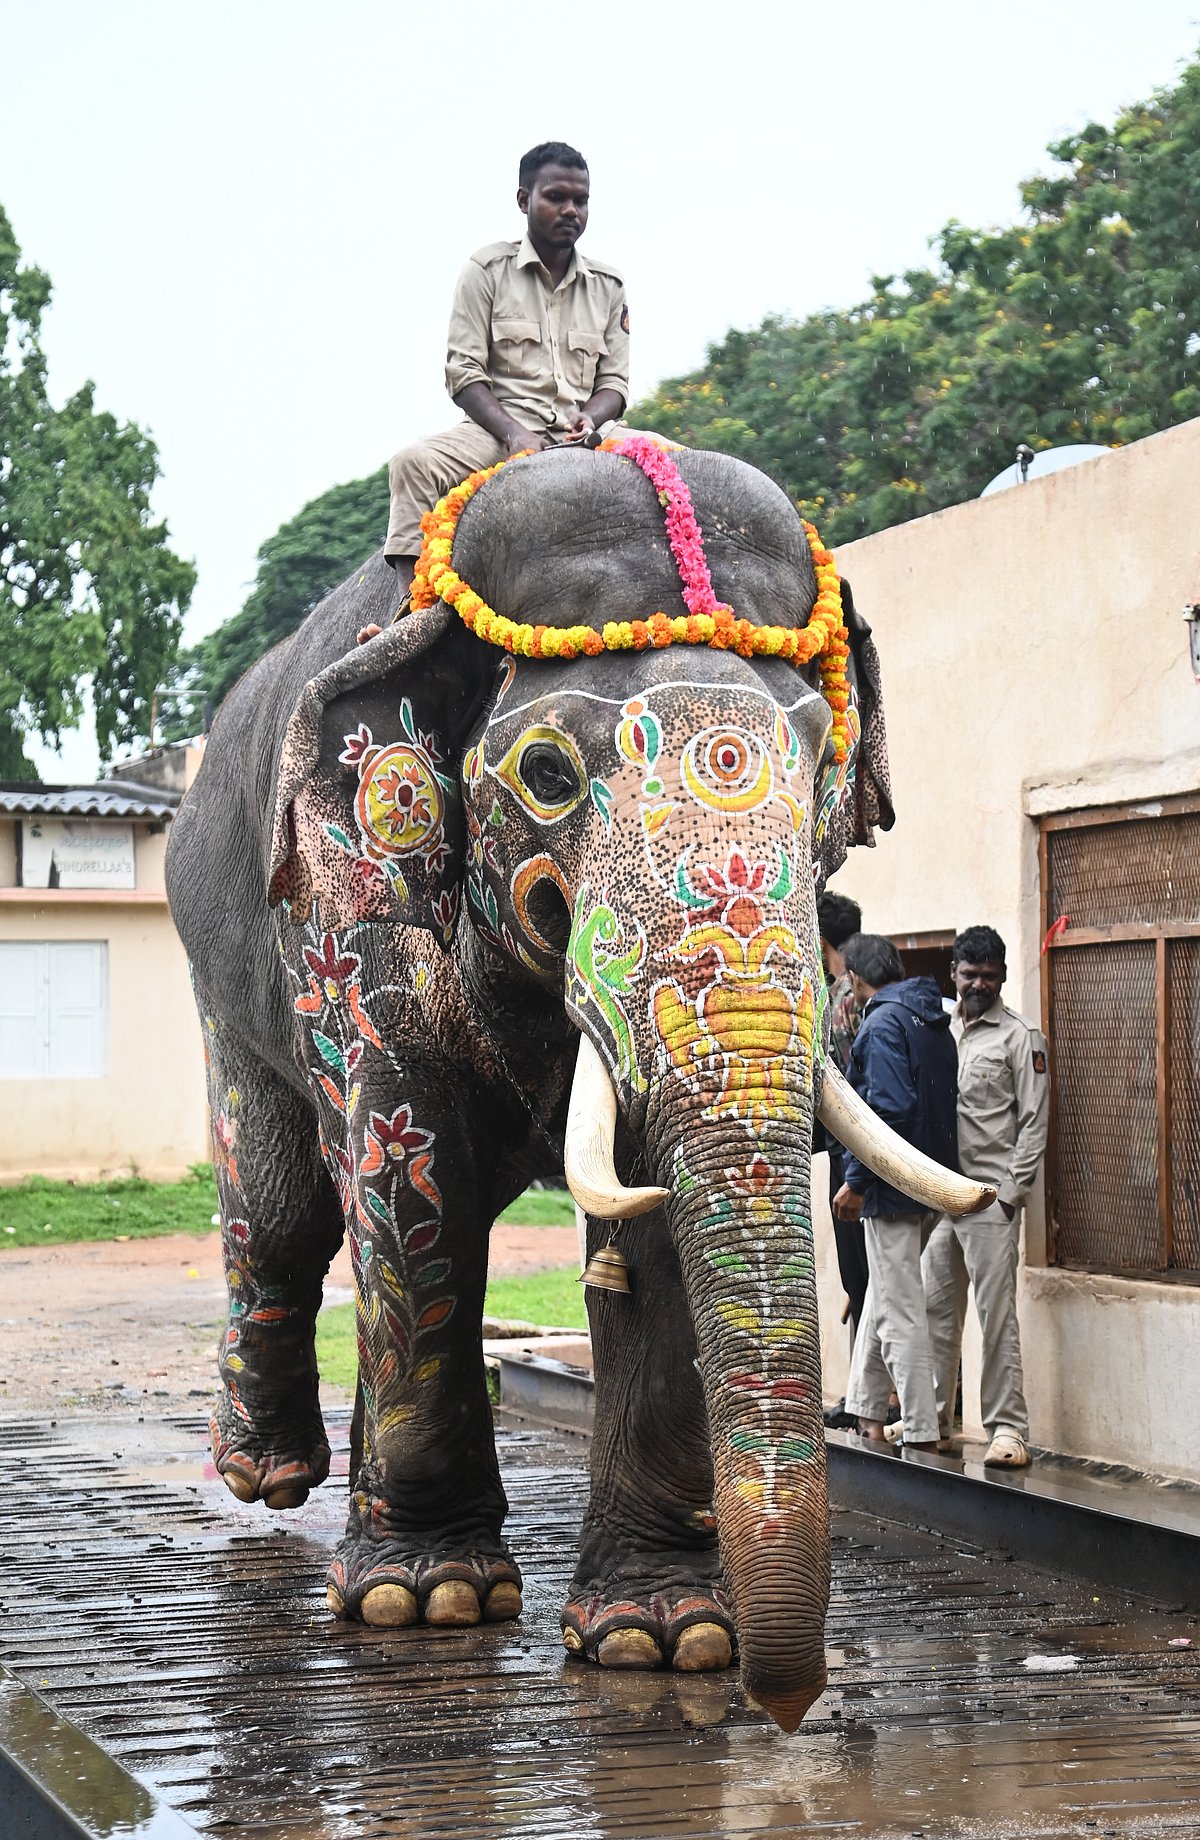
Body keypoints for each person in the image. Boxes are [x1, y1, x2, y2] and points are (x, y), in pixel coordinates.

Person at [384, 142, 630, 595]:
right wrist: (513, 433)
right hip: (499, 433)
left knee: (686, 462)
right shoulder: (486, 270)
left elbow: (614, 384)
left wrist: (591, 418)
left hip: (589, 435)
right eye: (556, 197)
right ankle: (410, 611)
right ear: (524, 201)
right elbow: (463, 374)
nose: (571, 210)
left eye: (581, 200)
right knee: (412, 464)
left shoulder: (608, 286)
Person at [922, 925, 1049, 1469]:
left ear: (999, 975)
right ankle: (934, 1421)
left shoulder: (1021, 1037)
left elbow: (1034, 1122)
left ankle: (1008, 1432)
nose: (978, 984)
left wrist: (1010, 1196)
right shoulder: (940, 1029)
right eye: (969, 974)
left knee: (996, 1318)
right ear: (953, 973)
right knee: (932, 1308)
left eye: (988, 976)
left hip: (991, 1199)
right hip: (943, 1197)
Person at [833, 934, 958, 1452]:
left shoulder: (881, 1023)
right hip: (929, 1186)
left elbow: (887, 1110)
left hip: (891, 1189)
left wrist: (856, 1183)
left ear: (858, 979)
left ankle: (923, 1434)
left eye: (844, 979)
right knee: (885, 1297)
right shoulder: (932, 1021)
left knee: (901, 1310)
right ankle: (866, 1412)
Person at [816, 892, 869, 1431]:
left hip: (852, 1154)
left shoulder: (840, 998)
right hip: (861, 1150)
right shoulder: (857, 988)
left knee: (863, 1275)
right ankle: (864, 1392)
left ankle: (868, 1396)